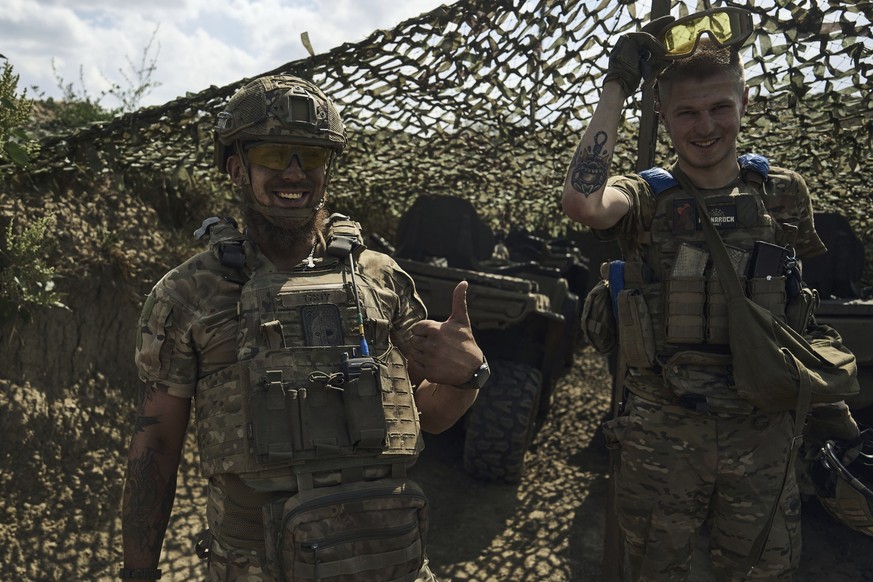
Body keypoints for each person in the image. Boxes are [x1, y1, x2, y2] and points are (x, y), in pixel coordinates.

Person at [120, 74, 490, 582]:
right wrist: (138, 573)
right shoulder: (188, 294)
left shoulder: (381, 278)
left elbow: (429, 416)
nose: (294, 173)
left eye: (311, 156)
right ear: (235, 168)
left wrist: (468, 375)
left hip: (385, 560)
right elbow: (157, 445)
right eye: (274, 154)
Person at [562, 9, 858, 582]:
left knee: (762, 571)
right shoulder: (643, 196)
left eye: (720, 107)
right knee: (655, 568)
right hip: (662, 435)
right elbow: (582, 203)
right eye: (687, 113)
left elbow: (801, 304)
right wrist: (617, 85)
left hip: (763, 430)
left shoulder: (783, 194)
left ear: (745, 101)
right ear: (664, 117)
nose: (705, 127)